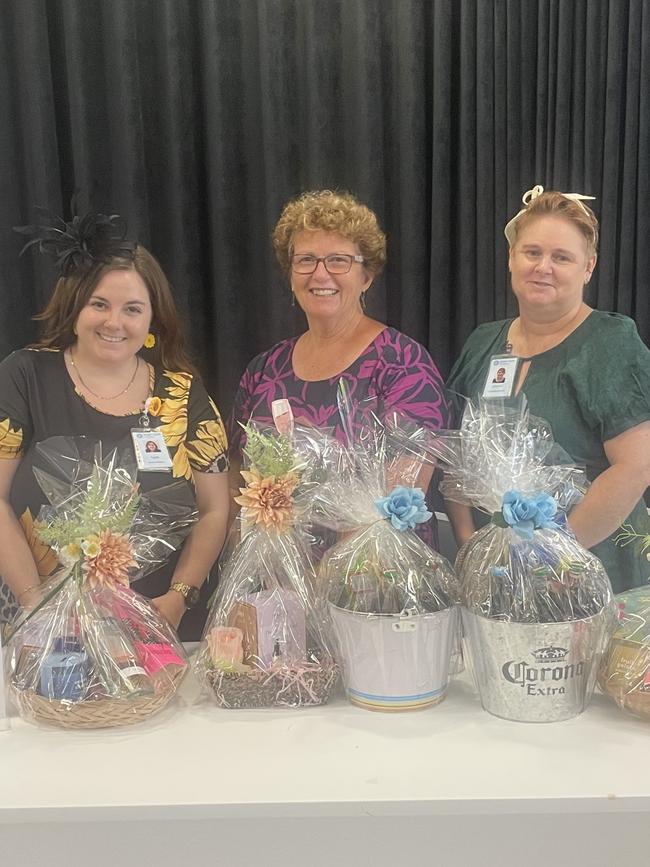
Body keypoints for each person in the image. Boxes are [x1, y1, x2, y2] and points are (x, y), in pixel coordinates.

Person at [0, 212, 230, 639]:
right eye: (99, 304)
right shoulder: (24, 376)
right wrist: (38, 607)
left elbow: (215, 508)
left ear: (151, 322)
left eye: (132, 309)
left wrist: (178, 598)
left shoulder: (182, 393)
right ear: (74, 308)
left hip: (157, 632)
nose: (114, 323)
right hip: (45, 630)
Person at [446, 186, 650, 592]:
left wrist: (552, 560)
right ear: (511, 257)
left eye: (562, 257)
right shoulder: (482, 341)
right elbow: (456, 457)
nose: (544, 267)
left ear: (588, 267)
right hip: (496, 574)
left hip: (589, 572)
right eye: (532, 252)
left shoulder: (611, 342)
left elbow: (635, 467)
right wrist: (469, 544)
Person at [229, 189, 450, 546]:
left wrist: (314, 585)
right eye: (306, 260)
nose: (320, 274)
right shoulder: (263, 370)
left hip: (371, 583)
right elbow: (236, 482)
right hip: (273, 582)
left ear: (367, 276)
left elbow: (398, 503)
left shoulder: (403, 364)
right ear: (290, 273)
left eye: (338, 261)